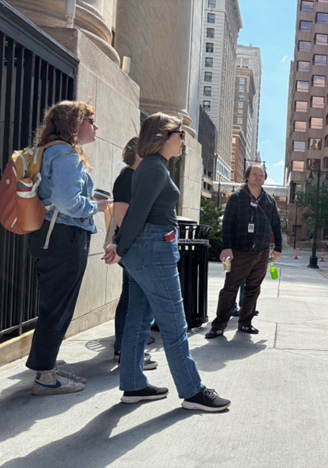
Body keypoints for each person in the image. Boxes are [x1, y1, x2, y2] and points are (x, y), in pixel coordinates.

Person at [103, 113, 230, 412]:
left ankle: (133, 385)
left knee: (138, 320)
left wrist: (122, 246)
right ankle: (193, 391)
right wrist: (120, 247)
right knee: (174, 323)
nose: (183, 140)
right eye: (180, 134)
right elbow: (137, 213)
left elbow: (138, 213)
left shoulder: (152, 167)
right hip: (153, 250)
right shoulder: (154, 168)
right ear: (163, 135)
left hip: (146, 249)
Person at [27, 101, 108, 395]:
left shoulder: (54, 151)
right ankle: (45, 378)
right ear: (73, 123)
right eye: (90, 120)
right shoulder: (64, 153)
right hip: (62, 238)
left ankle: (46, 368)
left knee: (57, 306)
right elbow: (68, 202)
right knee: (57, 308)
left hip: (55, 236)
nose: (95, 127)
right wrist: (96, 205)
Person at [205, 164, 282, 339]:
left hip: (262, 253)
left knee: (253, 289)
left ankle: (246, 323)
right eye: (255, 174)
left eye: (261, 175)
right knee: (230, 288)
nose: (258, 178)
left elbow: (276, 225)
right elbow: (227, 224)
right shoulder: (236, 197)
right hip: (240, 251)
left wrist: (278, 248)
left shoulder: (269, 201)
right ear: (247, 177)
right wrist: (226, 247)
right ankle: (218, 326)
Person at [111, 136, 157, 370]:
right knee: (132, 300)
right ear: (139, 155)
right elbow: (120, 216)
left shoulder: (134, 177)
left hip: (134, 247)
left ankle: (127, 350)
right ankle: (126, 351)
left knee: (131, 299)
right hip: (133, 248)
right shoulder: (127, 178)